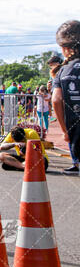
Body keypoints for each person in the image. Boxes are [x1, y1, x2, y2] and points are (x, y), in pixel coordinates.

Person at [52, 20, 80, 175]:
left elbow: (56, 100)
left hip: (74, 126)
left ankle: (76, 163)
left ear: (64, 48)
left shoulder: (63, 71)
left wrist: (64, 130)